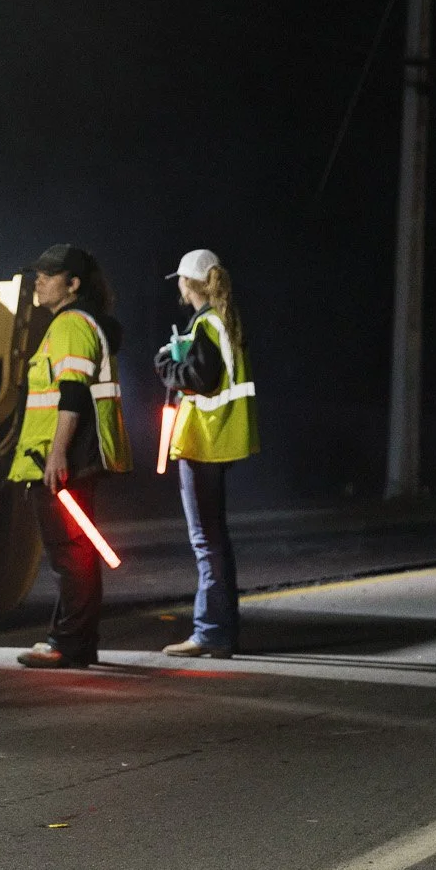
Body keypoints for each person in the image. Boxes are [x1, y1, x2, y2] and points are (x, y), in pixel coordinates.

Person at [9, 243, 131, 669]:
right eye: (37, 273)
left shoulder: (70, 324)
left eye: (49, 274)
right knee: (75, 553)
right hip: (73, 457)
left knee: (70, 555)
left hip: (65, 459)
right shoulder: (80, 323)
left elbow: (73, 392)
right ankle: (73, 639)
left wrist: (58, 453)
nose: (38, 280)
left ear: (73, 284)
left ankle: (70, 643)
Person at [153, 249, 259, 658]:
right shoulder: (222, 320)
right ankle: (220, 631)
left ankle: (211, 631)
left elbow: (200, 377)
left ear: (186, 284)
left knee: (206, 543)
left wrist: (165, 365)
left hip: (203, 442)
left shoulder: (205, 324)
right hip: (221, 440)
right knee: (216, 541)